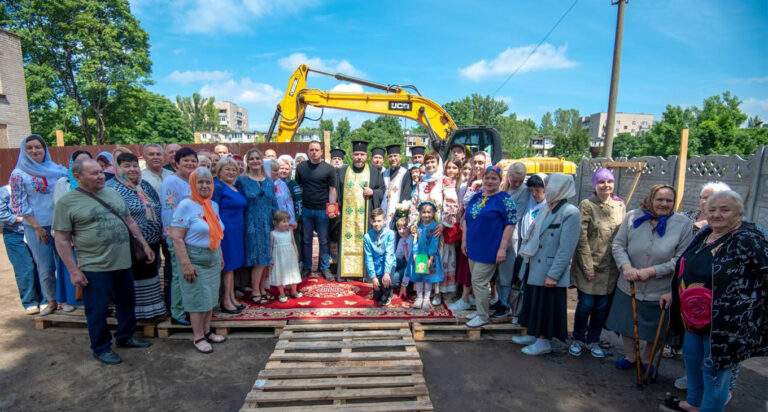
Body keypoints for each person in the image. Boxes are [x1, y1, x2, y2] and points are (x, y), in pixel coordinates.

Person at [660, 190, 768, 412]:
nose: (717, 214)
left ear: (739, 212)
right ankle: (694, 404)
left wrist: (750, 308)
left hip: (724, 325)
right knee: (692, 362)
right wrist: (674, 292)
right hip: (692, 320)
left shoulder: (748, 239)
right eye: (712, 209)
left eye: (724, 210)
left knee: (714, 373)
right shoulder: (706, 232)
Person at [54, 158, 154, 364]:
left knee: (126, 302)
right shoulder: (67, 202)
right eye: (94, 173)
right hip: (94, 266)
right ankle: (101, 348)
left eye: (101, 171)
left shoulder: (112, 193)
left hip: (123, 261)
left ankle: (125, 336)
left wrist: (144, 244)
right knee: (97, 309)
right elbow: (62, 239)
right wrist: (73, 270)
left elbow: (130, 221)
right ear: (78, 176)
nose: (100, 176)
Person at [607, 184, 693, 372]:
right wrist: (626, 266)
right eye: (659, 199)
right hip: (629, 283)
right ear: (651, 199)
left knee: (657, 330)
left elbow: (681, 258)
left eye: (669, 200)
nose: (664, 204)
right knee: (627, 323)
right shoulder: (632, 216)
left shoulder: (683, 224)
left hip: (661, 289)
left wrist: (652, 271)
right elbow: (618, 245)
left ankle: (647, 360)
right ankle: (631, 357)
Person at [512, 173, 579, 355]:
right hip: (534, 264)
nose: (547, 189)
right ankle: (533, 334)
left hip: (549, 269)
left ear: (560, 188)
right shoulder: (548, 207)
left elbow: (566, 248)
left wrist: (554, 274)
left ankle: (543, 341)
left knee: (546, 305)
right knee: (533, 301)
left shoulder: (570, 212)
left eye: (550, 186)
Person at [569, 168, 626, 358]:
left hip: (610, 267)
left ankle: (593, 340)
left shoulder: (619, 205)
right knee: (586, 305)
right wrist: (587, 266)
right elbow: (581, 238)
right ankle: (578, 338)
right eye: (601, 181)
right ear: (595, 184)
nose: (606, 185)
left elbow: (623, 236)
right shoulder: (587, 205)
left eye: (609, 181)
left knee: (601, 307)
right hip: (589, 264)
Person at [169, 167, 226, 354]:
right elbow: (177, 237)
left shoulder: (212, 205)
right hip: (194, 259)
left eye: (208, 182)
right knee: (197, 300)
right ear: (193, 184)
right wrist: (186, 264)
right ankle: (198, 337)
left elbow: (217, 233)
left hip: (213, 256)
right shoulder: (185, 205)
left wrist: (220, 256)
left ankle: (207, 331)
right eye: (200, 182)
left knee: (210, 298)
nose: (204, 185)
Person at [10, 135, 67, 316]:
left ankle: (65, 299)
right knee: (45, 266)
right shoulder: (18, 174)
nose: (34, 150)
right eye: (29, 148)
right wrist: (37, 227)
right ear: (24, 151)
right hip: (36, 227)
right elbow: (19, 204)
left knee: (65, 263)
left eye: (38, 147)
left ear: (45, 149)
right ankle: (51, 301)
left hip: (60, 225)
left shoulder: (56, 169)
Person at [106, 153, 165, 320]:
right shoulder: (111, 188)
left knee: (150, 275)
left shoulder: (144, 185)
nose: (132, 169)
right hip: (129, 244)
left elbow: (158, 206)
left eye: (135, 165)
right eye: (126, 166)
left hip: (152, 241)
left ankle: (151, 312)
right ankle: (133, 315)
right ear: (117, 168)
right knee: (132, 279)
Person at [461, 165, 516, 327]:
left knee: (479, 281)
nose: (490, 181)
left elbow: (510, 224)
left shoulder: (505, 199)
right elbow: (466, 220)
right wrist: (464, 241)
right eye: (487, 177)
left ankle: (483, 316)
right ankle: (480, 310)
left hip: (490, 248)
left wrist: (502, 248)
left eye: (494, 178)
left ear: (500, 180)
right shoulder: (476, 196)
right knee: (476, 280)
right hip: (473, 246)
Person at [335, 140, 384, 280]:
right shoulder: (343, 171)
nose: (359, 157)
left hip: (365, 217)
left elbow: (382, 190)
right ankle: (345, 273)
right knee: (346, 241)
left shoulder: (374, 172)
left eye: (362, 155)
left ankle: (365, 274)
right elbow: (337, 191)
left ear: (366, 156)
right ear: (352, 155)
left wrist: (373, 192)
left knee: (366, 243)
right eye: (356, 154)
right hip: (347, 218)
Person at [160, 147, 199, 325]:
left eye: (193, 161)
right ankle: (177, 312)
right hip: (177, 236)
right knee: (179, 274)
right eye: (186, 160)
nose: (190, 164)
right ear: (176, 163)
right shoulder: (171, 181)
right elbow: (169, 211)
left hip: (191, 236)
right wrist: (175, 236)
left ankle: (187, 308)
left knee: (188, 274)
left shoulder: (192, 181)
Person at [52, 150, 92, 312]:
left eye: (87, 160)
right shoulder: (63, 183)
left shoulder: (95, 181)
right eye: (79, 161)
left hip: (89, 233)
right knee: (71, 267)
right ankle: (71, 300)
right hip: (69, 232)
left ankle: (89, 299)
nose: (83, 164)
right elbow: (59, 208)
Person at [237, 148, 277, 303]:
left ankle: (262, 288)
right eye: (251, 158)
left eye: (257, 158)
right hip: (252, 224)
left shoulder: (268, 181)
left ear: (262, 161)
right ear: (247, 162)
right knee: (258, 259)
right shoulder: (242, 181)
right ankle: (255, 291)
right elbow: (239, 203)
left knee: (267, 258)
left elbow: (274, 203)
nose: (255, 161)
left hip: (268, 223)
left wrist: (278, 220)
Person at [492, 162, 529, 319]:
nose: (517, 184)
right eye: (514, 180)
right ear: (509, 176)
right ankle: (500, 299)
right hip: (497, 234)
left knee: (506, 272)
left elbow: (515, 216)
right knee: (499, 272)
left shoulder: (524, 191)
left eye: (520, 181)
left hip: (510, 236)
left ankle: (505, 304)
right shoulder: (504, 188)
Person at [296, 141, 338, 278]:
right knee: (306, 240)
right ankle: (307, 267)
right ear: (308, 151)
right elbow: (298, 188)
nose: (314, 152)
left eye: (316, 150)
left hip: (322, 210)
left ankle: (325, 268)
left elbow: (332, 189)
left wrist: (331, 209)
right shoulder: (301, 167)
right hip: (306, 209)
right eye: (311, 150)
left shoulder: (329, 169)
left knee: (324, 240)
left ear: (321, 152)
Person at [213, 157, 247, 314]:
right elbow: (213, 211)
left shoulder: (234, 187)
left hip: (237, 231)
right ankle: (225, 301)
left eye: (234, 170)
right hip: (226, 232)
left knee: (232, 267)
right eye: (227, 169)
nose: (231, 172)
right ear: (219, 171)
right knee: (227, 267)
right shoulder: (218, 187)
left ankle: (231, 297)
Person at [1, 184, 42, 314]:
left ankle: (44, 299)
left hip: (34, 232)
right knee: (25, 267)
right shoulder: (4, 192)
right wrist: (20, 219)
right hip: (15, 234)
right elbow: (1, 213)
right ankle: (30, 302)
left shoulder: (34, 188)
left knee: (41, 265)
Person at [407, 202, 444, 309]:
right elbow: (415, 240)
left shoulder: (435, 226)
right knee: (419, 276)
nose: (426, 215)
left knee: (428, 277)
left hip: (429, 256)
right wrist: (415, 253)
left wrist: (431, 257)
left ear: (433, 213)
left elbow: (434, 243)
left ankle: (426, 299)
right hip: (419, 255)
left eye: (429, 212)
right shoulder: (417, 226)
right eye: (423, 212)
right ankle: (419, 297)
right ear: (420, 213)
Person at [439, 158, 462, 302]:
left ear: (459, 170)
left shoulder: (459, 184)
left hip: (450, 226)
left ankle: (448, 289)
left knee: (449, 257)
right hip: (439, 223)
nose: (451, 170)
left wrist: (445, 223)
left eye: (454, 168)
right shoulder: (442, 182)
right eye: (448, 168)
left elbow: (453, 207)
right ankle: (434, 290)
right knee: (438, 256)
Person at [364, 208, 396, 306]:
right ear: (371, 221)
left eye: (379, 221)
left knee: (384, 295)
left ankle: (389, 290)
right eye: (374, 221)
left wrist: (387, 273)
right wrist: (373, 277)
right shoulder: (367, 237)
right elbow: (368, 257)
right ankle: (382, 285)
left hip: (388, 264)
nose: (377, 224)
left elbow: (389, 254)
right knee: (377, 296)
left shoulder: (390, 234)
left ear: (384, 220)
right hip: (376, 266)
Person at [269, 210, 303, 303]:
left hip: (290, 256)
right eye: (283, 221)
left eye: (287, 221)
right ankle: (282, 293)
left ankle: (294, 291)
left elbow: (293, 243)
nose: (286, 224)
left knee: (293, 272)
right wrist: (271, 259)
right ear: (276, 223)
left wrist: (296, 253)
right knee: (280, 273)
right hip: (278, 258)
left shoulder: (289, 232)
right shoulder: (273, 234)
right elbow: (271, 247)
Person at [277, 157, 303, 269]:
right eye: (281, 168)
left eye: (286, 169)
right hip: (276, 220)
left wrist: (295, 219)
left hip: (290, 222)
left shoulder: (293, 184)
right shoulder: (273, 182)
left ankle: (294, 267)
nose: (283, 171)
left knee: (293, 244)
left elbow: (298, 202)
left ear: (290, 170)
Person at [380, 144, 408, 227]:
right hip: (384, 210)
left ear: (400, 157)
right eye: (390, 156)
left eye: (395, 156)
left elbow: (406, 194)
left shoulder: (405, 173)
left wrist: (400, 212)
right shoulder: (384, 173)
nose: (393, 159)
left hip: (397, 213)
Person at [272, 160, 296, 226]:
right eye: (273, 170)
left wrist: (291, 221)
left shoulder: (282, 184)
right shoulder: (261, 184)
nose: (276, 172)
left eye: (276, 170)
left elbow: (289, 204)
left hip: (282, 220)